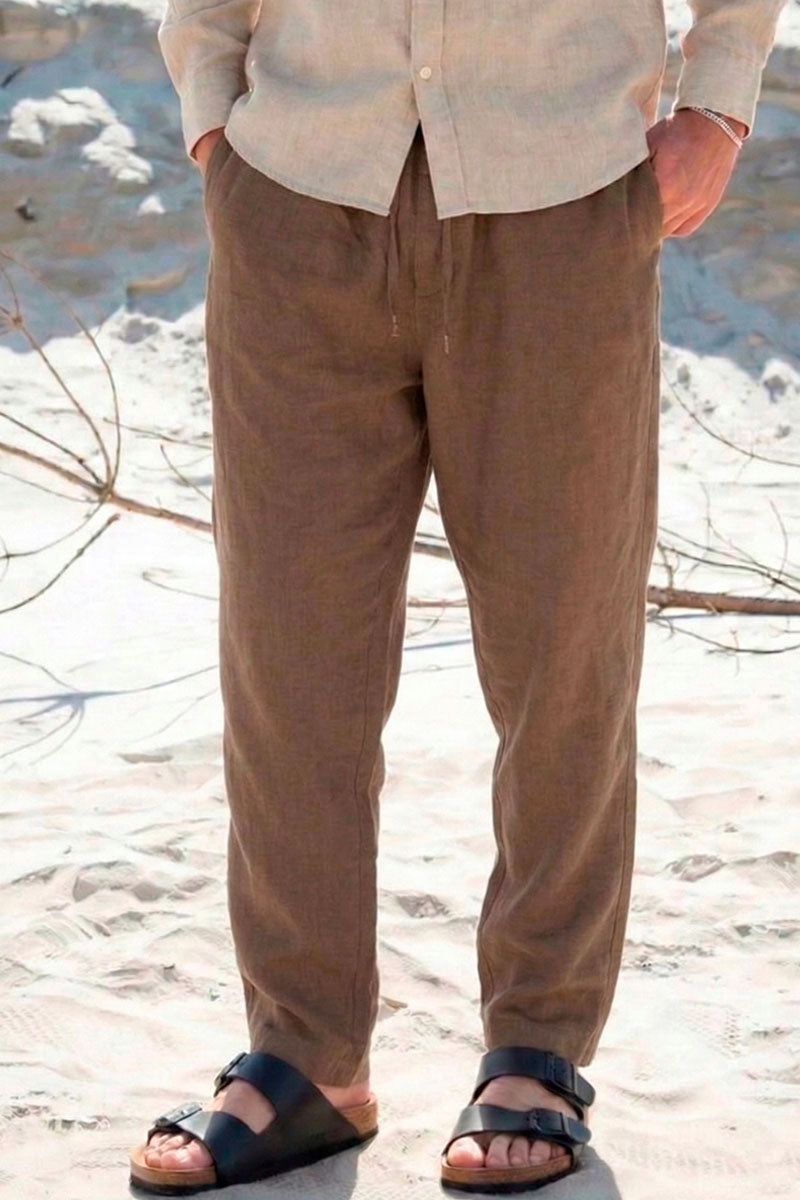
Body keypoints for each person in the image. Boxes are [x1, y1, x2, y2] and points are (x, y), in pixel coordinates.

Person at [130, 1, 787, 1194]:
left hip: (561, 200)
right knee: (288, 662)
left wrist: (715, 106)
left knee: (561, 661)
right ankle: (304, 1057)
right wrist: (213, 123)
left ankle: (536, 1049)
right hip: (299, 193)